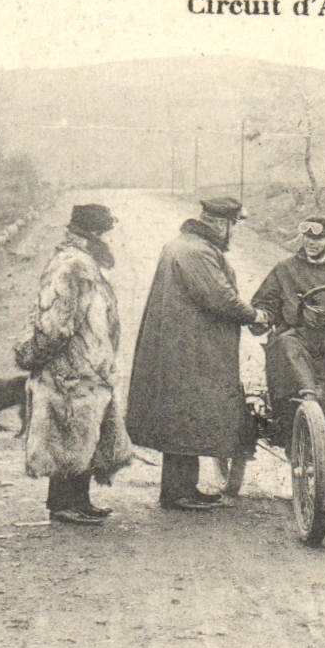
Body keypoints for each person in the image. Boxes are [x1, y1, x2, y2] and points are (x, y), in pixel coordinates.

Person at [127, 197, 268, 511]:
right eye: (233, 225)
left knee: (182, 418)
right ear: (222, 223)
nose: (233, 232)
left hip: (183, 347)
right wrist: (254, 315)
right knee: (186, 417)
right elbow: (220, 297)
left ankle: (181, 488)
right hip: (190, 350)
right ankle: (178, 494)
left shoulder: (186, 245)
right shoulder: (197, 251)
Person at [19, 203, 134, 524]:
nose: (109, 238)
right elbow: (56, 323)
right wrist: (36, 355)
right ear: (94, 232)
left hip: (87, 366)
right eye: (105, 231)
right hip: (70, 368)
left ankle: (79, 500)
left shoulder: (83, 263)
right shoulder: (73, 266)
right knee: (69, 432)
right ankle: (63, 504)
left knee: (83, 433)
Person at [250, 216, 325, 436]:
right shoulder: (285, 269)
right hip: (299, 334)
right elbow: (265, 302)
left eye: (319, 238)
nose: (312, 243)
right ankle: (308, 398)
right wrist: (263, 316)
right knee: (285, 342)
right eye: (308, 237)